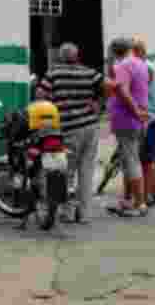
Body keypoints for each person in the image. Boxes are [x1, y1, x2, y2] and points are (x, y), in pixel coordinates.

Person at [39, 42, 103, 224]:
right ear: (77, 56)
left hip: (68, 128)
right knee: (86, 171)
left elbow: (40, 95)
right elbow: (109, 86)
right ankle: (85, 214)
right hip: (90, 126)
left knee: (67, 172)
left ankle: (67, 213)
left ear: (61, 56)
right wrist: (98, 103)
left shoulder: (54, 73)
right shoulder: (89, 72)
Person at [104, 38, 151, 217]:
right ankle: (129, 200)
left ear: (113, 51)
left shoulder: (122, 66)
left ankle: (139, 204)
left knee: (131, 160)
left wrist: (135, 110)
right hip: (137, 118)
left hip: (127, 118)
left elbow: (122, 91)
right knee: (128, 159)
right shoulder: (141, 63)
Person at [132, 36, 155, 207]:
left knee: (146, 159)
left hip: (148, 117)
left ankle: (148, 195)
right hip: (154, 115)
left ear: (137, 52)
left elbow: (141, 95)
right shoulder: (149, 66)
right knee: (150, 158)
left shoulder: (144, 68)